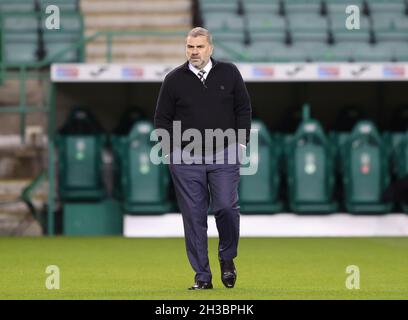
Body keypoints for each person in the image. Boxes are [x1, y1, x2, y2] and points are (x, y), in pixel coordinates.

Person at [154, 27, 252, 290]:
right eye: (189, 47)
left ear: (210, 48)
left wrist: (241, 143)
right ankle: (202, 277)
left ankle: (227, 257)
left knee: (226, 208)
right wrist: (170, 151)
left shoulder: (229, 73)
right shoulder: (173, 80)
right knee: (194, 218)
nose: (194, 52)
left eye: (199, 47)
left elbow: (243, 108)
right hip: (185, 158)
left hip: (225, 153)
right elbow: (162, 119)